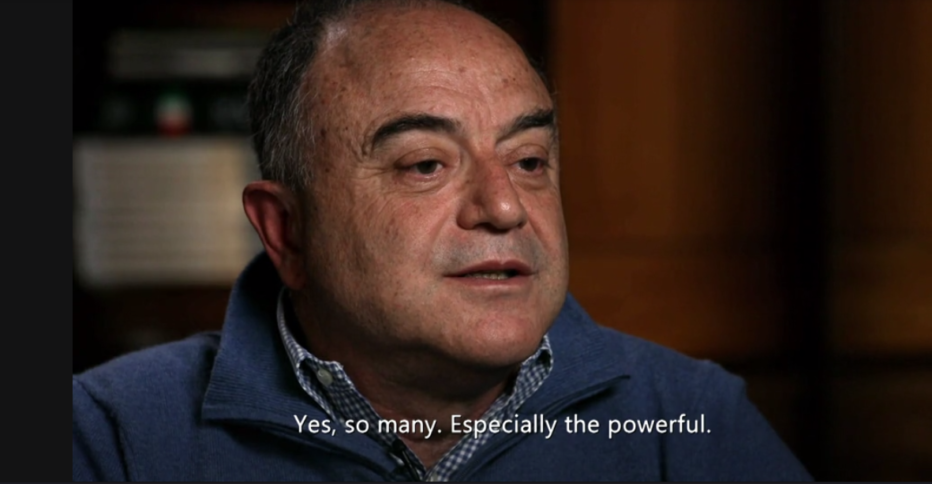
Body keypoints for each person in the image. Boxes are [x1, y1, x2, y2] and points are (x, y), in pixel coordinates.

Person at [72, 0, 813, 480]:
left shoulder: (689, 423)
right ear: (286, 231)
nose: (504, 207)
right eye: (426, 164)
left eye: (529, 161)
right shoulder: (111, 438)